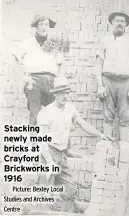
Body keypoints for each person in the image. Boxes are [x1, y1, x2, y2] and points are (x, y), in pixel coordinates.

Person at [37, 76, 114, 212]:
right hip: (48, 154)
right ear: (55, 93)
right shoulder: (45, 112)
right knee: (45, 194)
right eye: (62, 93)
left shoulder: (70, 109)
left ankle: (64, 211)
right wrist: (49, 161)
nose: (65, 96)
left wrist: (100, 134)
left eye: (67, 92)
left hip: (62, 155)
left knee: (70, 190)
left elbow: (82, 123)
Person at [95, 11, 129, 142]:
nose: (120, 23)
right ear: (112, 23)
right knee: (107, 115)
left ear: (126, 24)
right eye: (117, 21)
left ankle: (124, 154)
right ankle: (107, 151)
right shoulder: (104, 40)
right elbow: (98, 63)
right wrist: (100, 85)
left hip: (125, 82)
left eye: (122, 21)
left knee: (124, 117)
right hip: (108, 80)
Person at [12, 14, 65, 125]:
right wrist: (25, 78)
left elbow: (60, 65)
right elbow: (13, 60)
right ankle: (34, 142)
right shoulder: (27, 42)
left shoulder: (54, 43)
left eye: (46, 24)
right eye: (41, 24)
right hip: (34, 81)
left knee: (56, 115)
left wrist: (59, 82)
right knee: (35, 115)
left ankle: (57, 142)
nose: (44, 27)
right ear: (36, 26)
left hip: (51, 82)